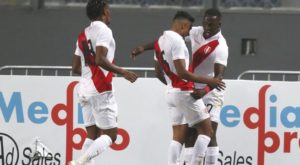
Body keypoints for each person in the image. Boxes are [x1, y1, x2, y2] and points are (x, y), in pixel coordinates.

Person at [131, 11, 225, 165]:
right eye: (188, 29)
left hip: (171, 92)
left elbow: (157, 72)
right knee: (207, 131)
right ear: (183, 26)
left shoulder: (161, 40)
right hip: (185, 91)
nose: (189, 33)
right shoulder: (178, 42)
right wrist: (209, 81)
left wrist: (142, 48)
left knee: (178, 136)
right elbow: (183, 72)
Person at [70, 0, 138, 165]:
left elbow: (75, 67)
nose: (110, 13)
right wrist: (123, 71)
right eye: (109, 10)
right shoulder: (104, 31)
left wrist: (89, 75)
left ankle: (81, 162)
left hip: (84, 89)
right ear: (103, 13)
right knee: (110, 135)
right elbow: (100, 59)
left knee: (91, 136)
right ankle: (79, 162)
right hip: (100, 88)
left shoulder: (82, 34)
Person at [182, 8, 229, 165]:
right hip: (193, 90)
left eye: (211, 24)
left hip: (210, 92)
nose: (207, 27)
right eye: (205, 22)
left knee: (209, 134)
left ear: (219, 24)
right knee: (190, 134)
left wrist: (204, 91)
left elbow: (218, 77)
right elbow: (175, 36)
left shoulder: (221, 45)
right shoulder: (196, 32)